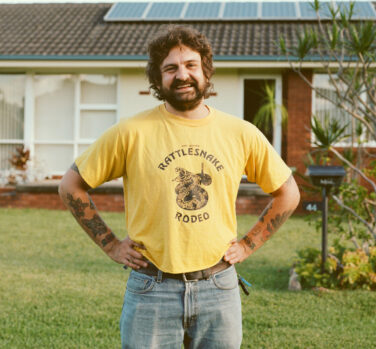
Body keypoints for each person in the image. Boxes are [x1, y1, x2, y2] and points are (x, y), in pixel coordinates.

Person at [59, 25, 300, 349]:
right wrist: (111, 245)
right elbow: (71, 186)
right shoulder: (131, 132)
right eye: (170, 68)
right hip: (151, 290)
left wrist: (247, 244)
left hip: (218, 287)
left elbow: (289, 193)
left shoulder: (240, 133)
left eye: (191, 66)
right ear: (158, 79)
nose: (182, 75)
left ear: (206, 72)